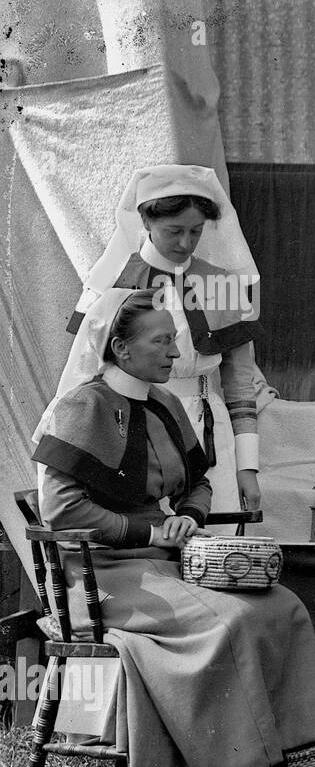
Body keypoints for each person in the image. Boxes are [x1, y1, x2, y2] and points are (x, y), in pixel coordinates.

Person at [32, 288, 315, 767]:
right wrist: (152, 530)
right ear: (120, 347)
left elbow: (197, 481)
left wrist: (190, 517)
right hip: (102, 576)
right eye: (162, 342)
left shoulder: (166, 403)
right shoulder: (81, 406)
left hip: (167, 561)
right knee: (232, 619)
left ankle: (304, 755)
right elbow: (61, 510)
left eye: (174, 340)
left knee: (282, 605)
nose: (177, 353)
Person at [67, 164, 265, 517]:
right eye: (174, 231)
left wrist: (247, 467)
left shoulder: (223, 286)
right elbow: (82, 379)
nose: (185, 243)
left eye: (196, 231)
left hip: (208, 432)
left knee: (213, 550)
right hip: (130, 429)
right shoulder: (112, 285)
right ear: (146, 221)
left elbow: (239, 384)